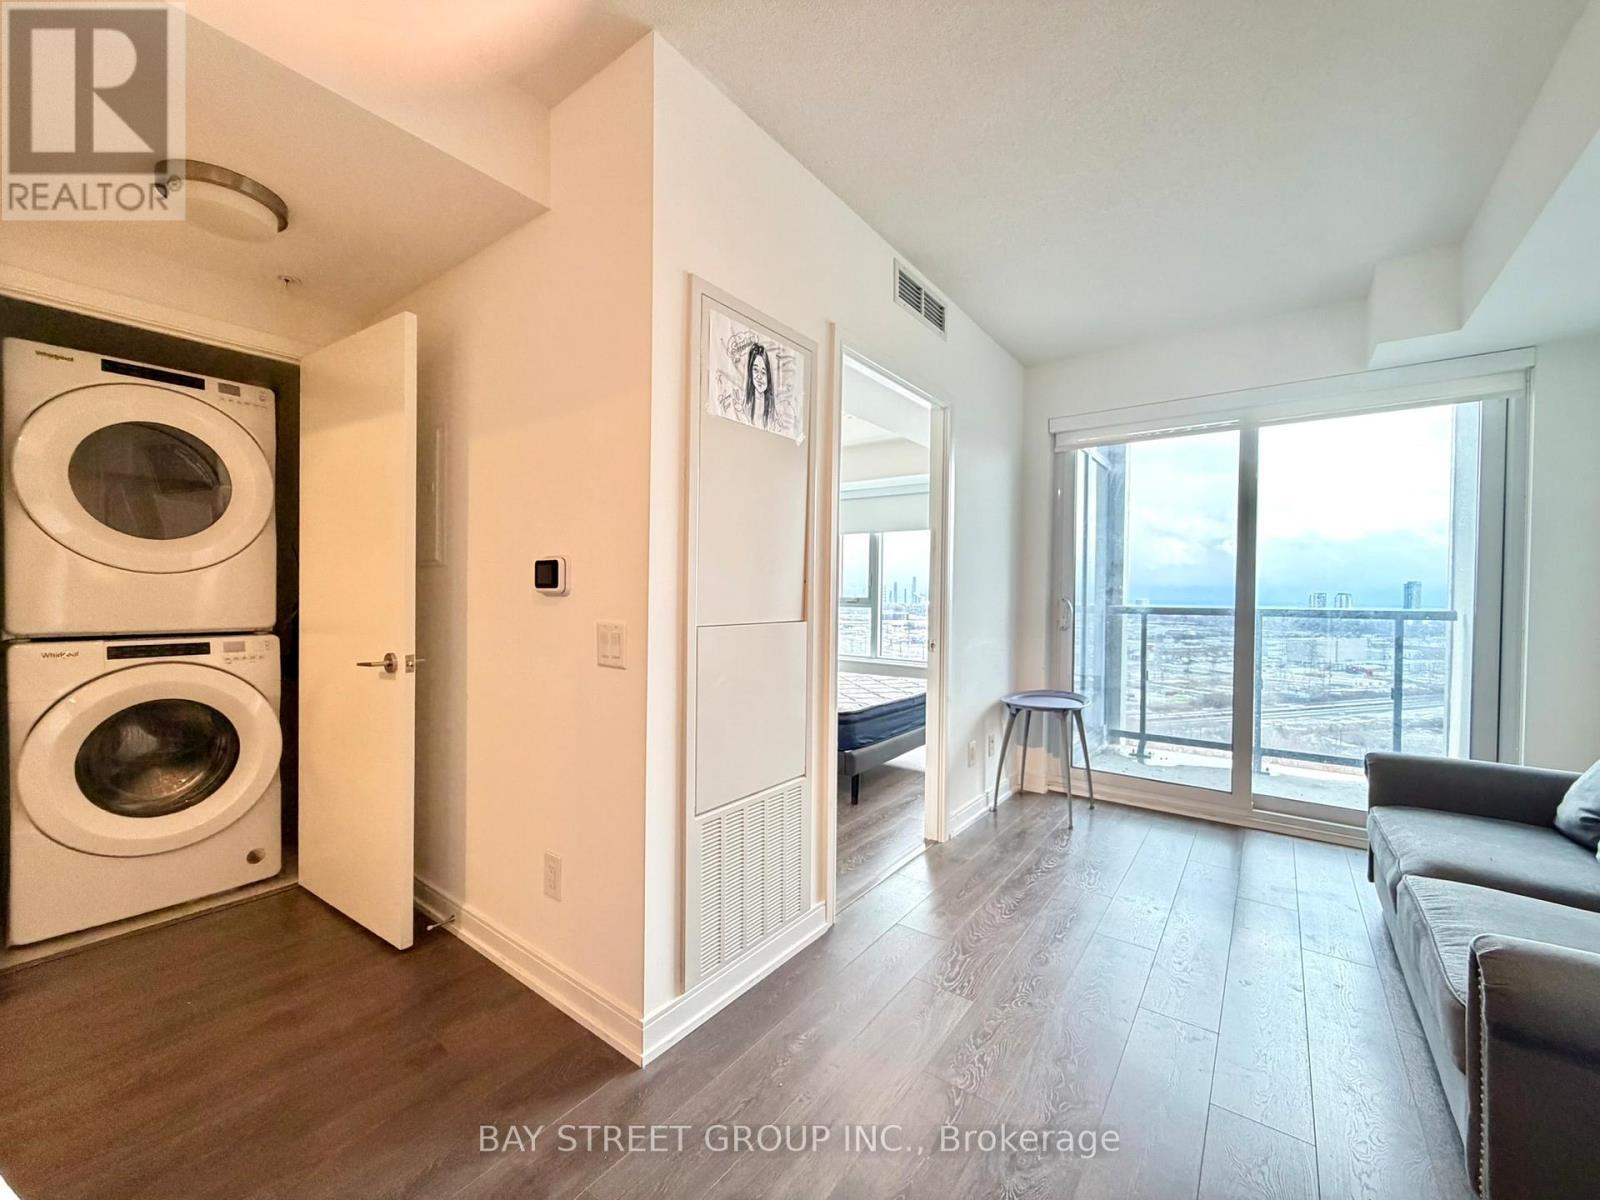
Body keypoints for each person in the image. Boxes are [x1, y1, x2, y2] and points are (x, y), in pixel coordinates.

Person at [744, 342, 776, 427]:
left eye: (763, 372)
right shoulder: (745, 407)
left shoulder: (772, 412)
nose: (759, 377)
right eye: (755, 370)